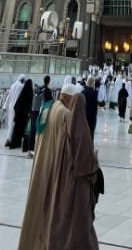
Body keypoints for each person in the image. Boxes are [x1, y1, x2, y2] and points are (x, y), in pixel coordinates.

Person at [17, 86, 100, 250]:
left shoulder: (49, 108)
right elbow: (80, 157)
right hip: (66, 179)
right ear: (70, 98)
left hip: (45, 166)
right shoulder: (65, 115)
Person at [7, 78, 33, 150]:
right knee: (22, 130)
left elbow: (16, 105)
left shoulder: (22, 93)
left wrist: (17, 113)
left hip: (18, 115)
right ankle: (21, 144)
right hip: (24, 116)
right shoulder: (30, 93)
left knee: (16, 130)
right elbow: (30, 105)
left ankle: (14, 143)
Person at [3, 74, 25, 143]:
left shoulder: (12, 86)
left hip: (11, 107)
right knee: (15, 123)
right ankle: (11, 139)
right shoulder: (21, 86)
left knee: (10, 123)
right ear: (22, 79)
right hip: (17, 108)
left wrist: (4, 106)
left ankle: (9, 138)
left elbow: (8, 96)